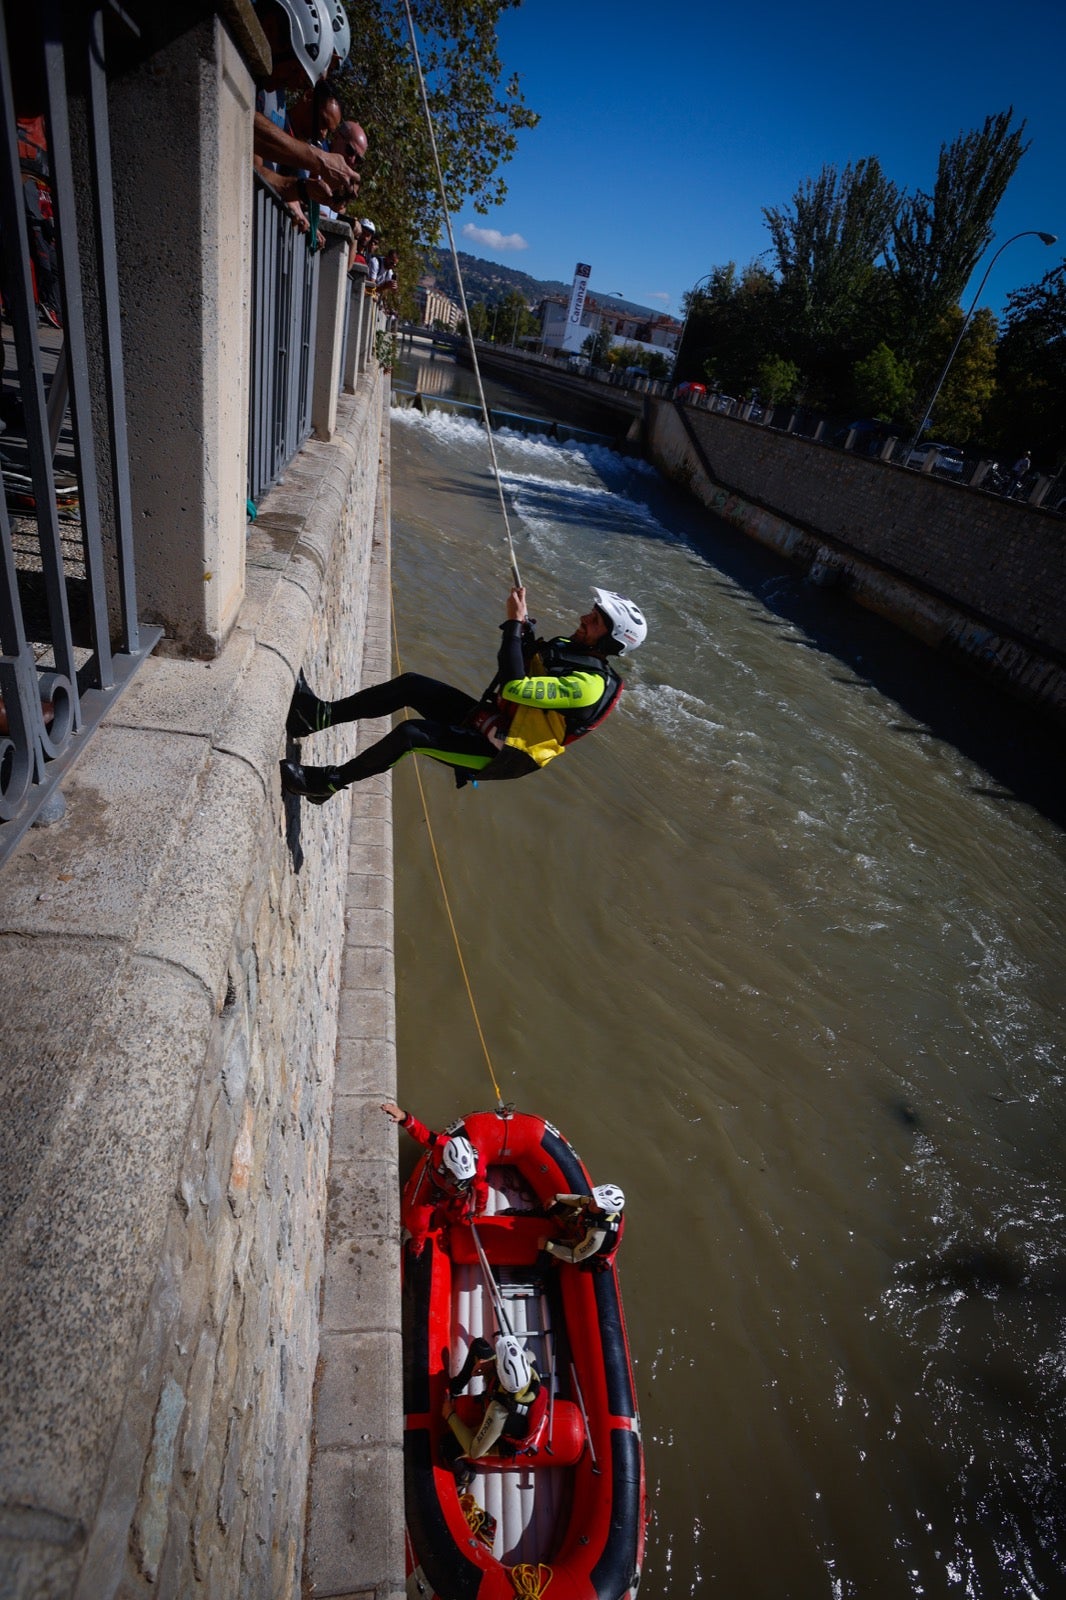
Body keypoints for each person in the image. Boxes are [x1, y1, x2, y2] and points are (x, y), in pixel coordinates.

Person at [279, 583, 648, 803]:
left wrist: (514, 625)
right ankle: (316, 716)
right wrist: (522, 632)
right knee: (412, 685)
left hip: (504, 752)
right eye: (591, 612)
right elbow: (520, 664)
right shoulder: (573, 649)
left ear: (611, 643)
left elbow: (515, 685)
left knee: (411, 735)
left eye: (595, 621)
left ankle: (325, 783)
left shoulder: (588, 686)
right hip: (495, 721)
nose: (585, 618)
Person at [381, 1101, 487, 1253]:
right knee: (418, 1222)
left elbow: (482, 1187)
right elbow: (422, 1134)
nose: (458, 1179)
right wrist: (404, 1117)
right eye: (455, 1174)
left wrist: (480, 1208)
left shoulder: (478, 1167)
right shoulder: (440, 1146)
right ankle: (418, 1245)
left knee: (458, 1216)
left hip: (458, 1196)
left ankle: (452, 1230)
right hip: (431, 1188)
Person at [441, 1334, 546, 1468]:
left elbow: (475, 1451)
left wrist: (450, 1415)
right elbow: (528, 1357)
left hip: (503, 1438)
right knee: (479, 1345)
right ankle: (455, 1388)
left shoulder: (499, 1411)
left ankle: (464, 1474)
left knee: (448, 1446)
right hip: (502, 1391)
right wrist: (491, 1363)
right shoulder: (530, 1372)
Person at [537, 1184, 625, 1270]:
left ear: (605, 1211)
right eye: (595, 1198)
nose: (592, 1203)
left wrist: (547, 1245)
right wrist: (557, 1197)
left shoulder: (597, 1235)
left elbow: (573, 1256)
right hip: (584, 1226)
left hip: (583, 1245)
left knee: (547, 1245)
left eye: (598, 1204)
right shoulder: (597, 1205)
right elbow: (580, 1200)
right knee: (554, 1206)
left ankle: (539, 1272)